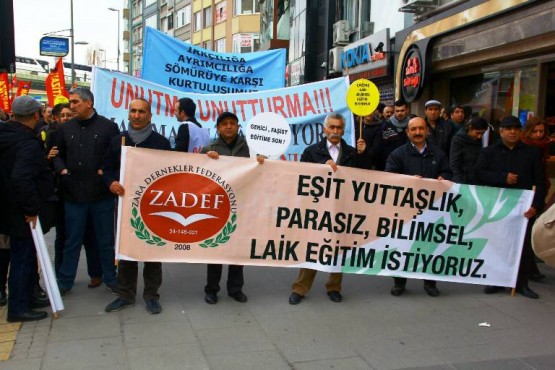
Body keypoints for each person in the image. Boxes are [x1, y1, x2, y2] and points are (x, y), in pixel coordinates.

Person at [289, 112, 368, 305]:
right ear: (325, 129)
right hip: (318, 208)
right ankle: (300, 288)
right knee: (313, 248)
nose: (335, 131)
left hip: (342, 207)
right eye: (331, 127)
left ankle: (334, 287)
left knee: (338, 248)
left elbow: (364, 176)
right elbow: (303, 175)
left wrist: (364, 154)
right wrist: (321, 167)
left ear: (343, 130)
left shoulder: (351, 152)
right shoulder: (312, 151)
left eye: (339, 128)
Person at [104, 98, 171, 314]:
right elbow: (106, 169)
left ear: (150, 115)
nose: (136, 115)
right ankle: (126, 295)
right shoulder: (118, 141)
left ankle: (151, 295)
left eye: (141, 111)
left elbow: (171, 173)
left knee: (152, 251)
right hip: (125, 205)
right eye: (133, 111)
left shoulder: (161, 143)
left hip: (153, 206)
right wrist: (111, 182)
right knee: (126, 251)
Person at [53, 87, 120, 295]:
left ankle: (111, 278)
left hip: (101, 196)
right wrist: (62, 169)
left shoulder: (109, 127)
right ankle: (65, 282)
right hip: (73, 195)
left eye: (75, 102)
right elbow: (57, 154)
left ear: (88, 103)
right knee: (72, 241)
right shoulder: (66, 129)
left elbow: (118, 156)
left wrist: (108, 173)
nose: (71, 106)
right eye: (71, 103)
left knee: (105, 240)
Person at [475, 115, 546, 299]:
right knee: (497, 244)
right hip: (498, 208)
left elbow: (541, 182)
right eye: (508, 129)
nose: (512, 132)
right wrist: (502, 177)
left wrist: (536, 207)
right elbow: (479, 174)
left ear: (520, 131)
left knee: (521, 247)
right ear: (501, 132)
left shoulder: (531, 153)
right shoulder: (489, 152)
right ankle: (496, 280)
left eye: (516, 128)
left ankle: (521, 284)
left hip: (524, 210)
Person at [0, 96, 56, 322]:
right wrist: (32, 209)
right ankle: (18, 308)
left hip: (6, 205)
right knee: (22, 259)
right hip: (21, 211)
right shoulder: (27, 143)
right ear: (36, 115)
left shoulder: (6, 135)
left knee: (26, 256)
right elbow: (22, 178)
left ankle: (29, 296)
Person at [385, 117, 452, 297]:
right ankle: (399, 282)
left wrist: (443, 178)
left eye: (421, 129)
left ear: (427, 131)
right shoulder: (397, 154)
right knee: (403, 246)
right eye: (413, 129)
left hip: (432, 209)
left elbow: (447, 171)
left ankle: (430, 282)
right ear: (407, 132)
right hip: (406, 210)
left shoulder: (439, 154)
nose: (417, 132)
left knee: (429, 246)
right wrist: (407, 181)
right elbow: (389, 176)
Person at [46, 103, 102, 287]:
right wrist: (61, 169)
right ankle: (63, 277)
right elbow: (54, 158)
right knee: (66, 237)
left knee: (91, 236)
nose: (65, 118)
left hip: (90, 193)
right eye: (62, 115)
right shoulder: (55, 135)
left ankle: (96, 274)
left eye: (69, 114)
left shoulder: (94, 129)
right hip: (66, 194)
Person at [201, 111, 253, 304]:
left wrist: (261, 160)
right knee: (216, 249)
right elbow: (199, 174)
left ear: (238, 126)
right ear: (218, 128)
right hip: (218, 206)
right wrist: (205, 159)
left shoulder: (250, 147)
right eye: (224, 124)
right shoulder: (209, 148)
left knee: (237, 249)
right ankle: (212, 289)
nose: (229, 126)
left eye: (233, 123)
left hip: (242, 203)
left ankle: (235, 288)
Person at [449, 117, 488, 184]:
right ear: (470, 128)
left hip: (476, 180)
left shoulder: (479, 140)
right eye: (477, 133)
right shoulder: (458, 141)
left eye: (482, 133)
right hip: (463, 181)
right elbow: (454, 164)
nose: (479, 136)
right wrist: (459, 184)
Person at [376, 99, 411, 170]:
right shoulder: (386, 126)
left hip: (409, 163)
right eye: (397, 111)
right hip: (392, 163)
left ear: (407, 110)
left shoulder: (412, 124)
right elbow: (383, 148)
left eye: (402, 110)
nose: (400, 113)